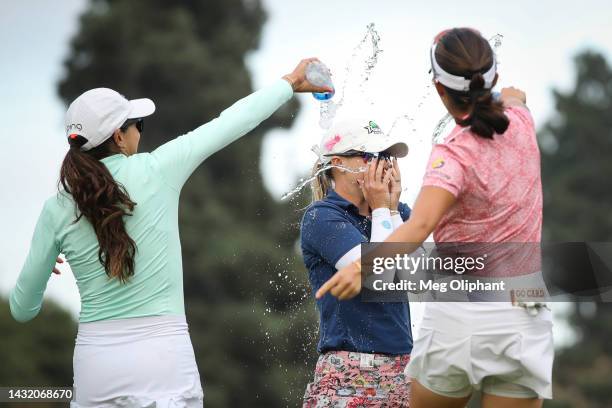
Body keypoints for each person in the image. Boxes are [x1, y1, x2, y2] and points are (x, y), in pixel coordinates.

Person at [9, 58, 331, 408]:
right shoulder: (159, 168)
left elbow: (22, 309)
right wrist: (289, 82)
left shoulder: (55, 209)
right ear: (119, 136)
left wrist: (47, 266)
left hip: (96, 366)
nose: (140, 132)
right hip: (163, 357)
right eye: (138, 124)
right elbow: (232, 122)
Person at [316, 28, 554, 408]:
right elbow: (515, 95)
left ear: (439, 90)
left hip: (461, 317)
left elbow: (421, 226)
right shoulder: (522, 121)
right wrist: (499, 91)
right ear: (492, 76)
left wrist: (361, 267)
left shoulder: (452, 153)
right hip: (523, 312)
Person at [301, 118, 413, 407]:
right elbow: (380, 281)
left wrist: (389, 209)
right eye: (370, 156)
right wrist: (382, 210)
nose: (383, 165)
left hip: (402, 369)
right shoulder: (322, 216)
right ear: (339, 163)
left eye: (385, 156)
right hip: (349, 372)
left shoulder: (398, 212)